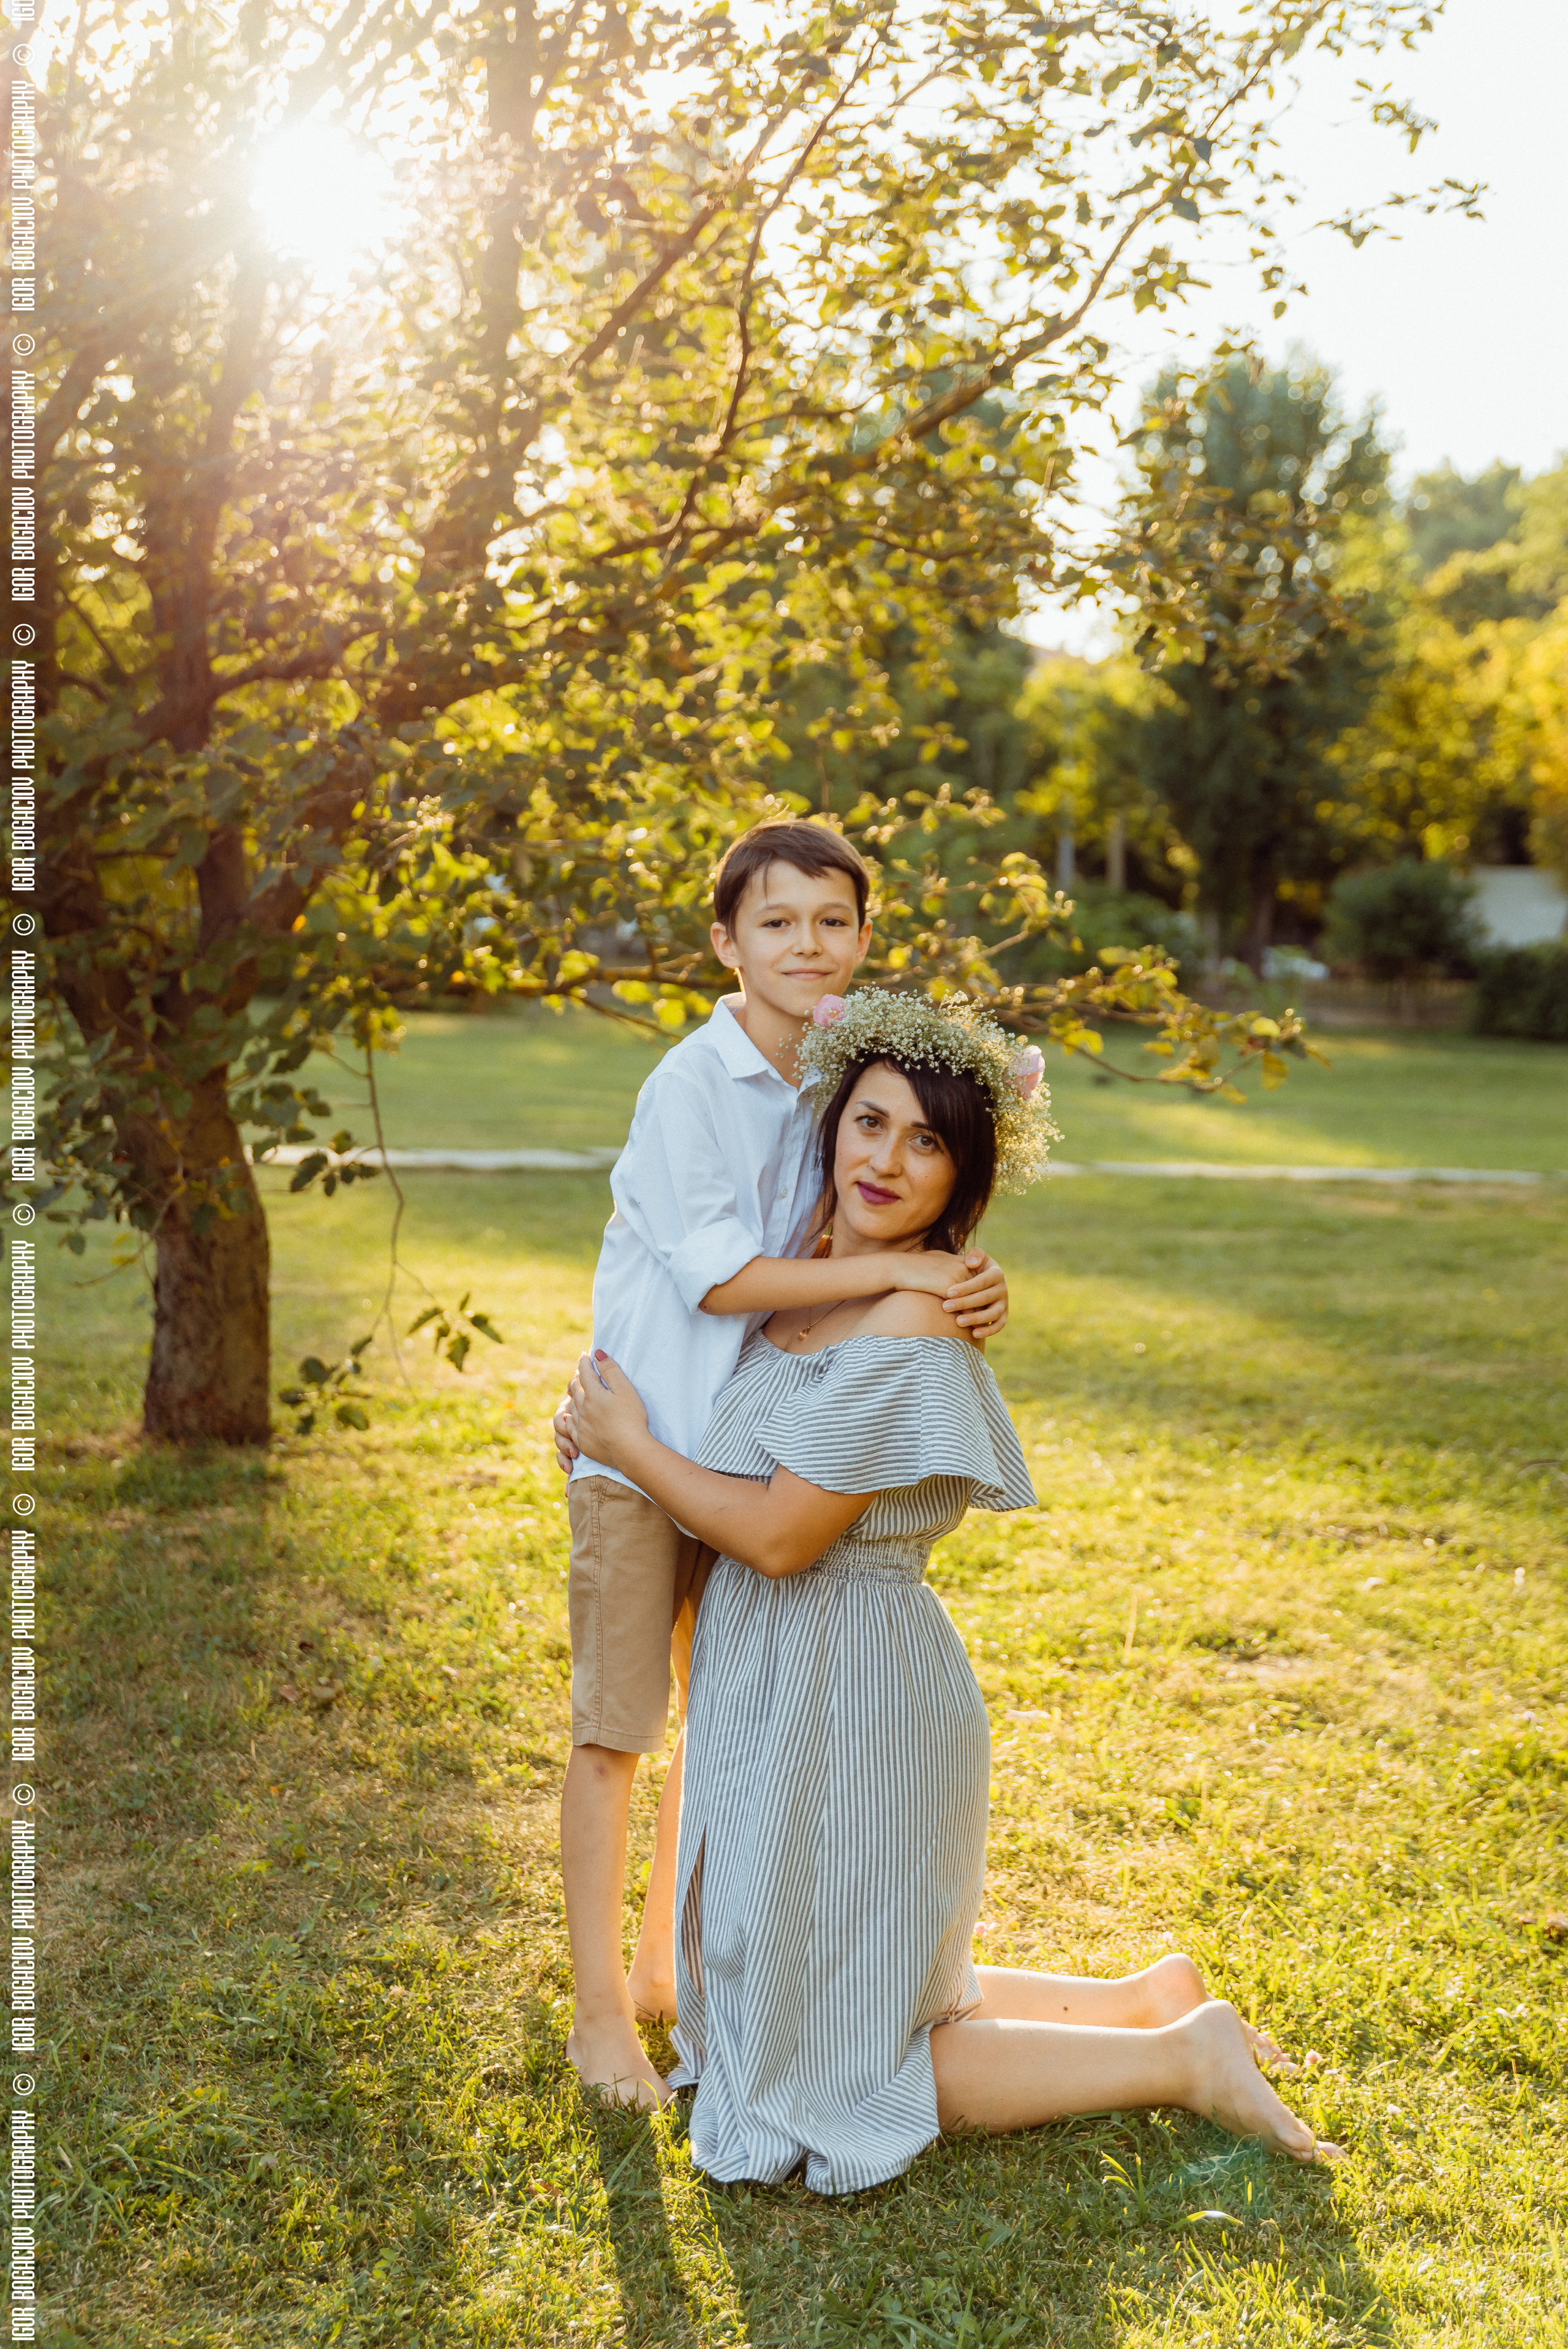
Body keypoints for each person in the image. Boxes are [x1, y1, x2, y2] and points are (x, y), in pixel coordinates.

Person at [564, 988, 1340, 2189]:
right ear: (829, 1126)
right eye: (869, 1122)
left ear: (958, 1181)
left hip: (855, 1691)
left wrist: (630, 1447)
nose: (885, 1159)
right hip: (783, 1683)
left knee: (830, 2077)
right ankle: (1148, 1997)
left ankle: (1183, 2056)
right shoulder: (814, 1281)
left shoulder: (914, 1321)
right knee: (821, 1995)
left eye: (926, 1142)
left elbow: (779, 1538)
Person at [552, 822, 1012, 2110]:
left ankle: (667, 1972)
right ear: (725, 942)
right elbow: (715, 1278)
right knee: (615, 1730)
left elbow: (874, 1209)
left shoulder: (834, 1082)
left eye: (830, 923)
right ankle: (601, 2018)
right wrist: (905, 1269)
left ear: (863, 943)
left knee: (724, 1725)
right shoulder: (692, 1084)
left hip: (753, 1450)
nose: (803, 944)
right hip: (639, 1454)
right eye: (775, 923)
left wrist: (952, 1273)